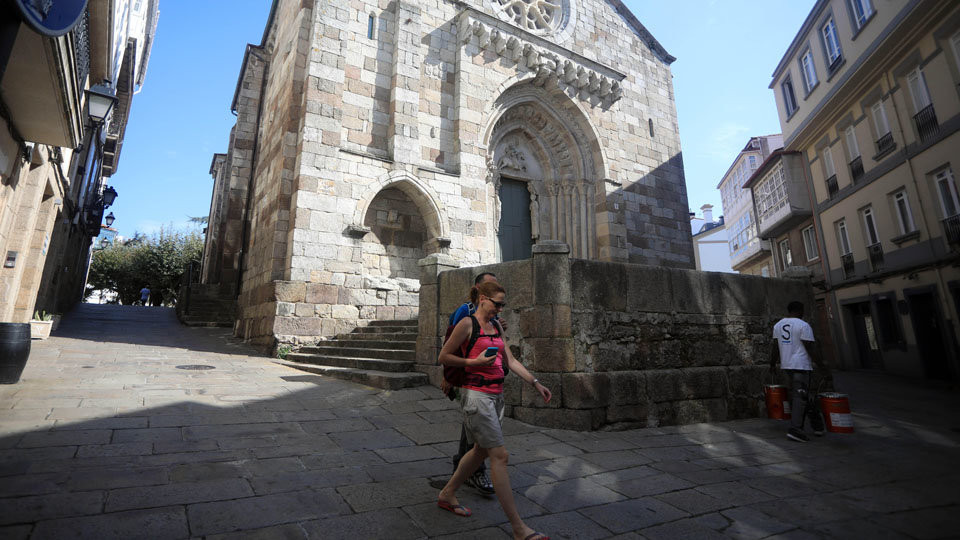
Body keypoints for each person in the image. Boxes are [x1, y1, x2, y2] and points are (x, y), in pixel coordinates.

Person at [437, 281, 551, 540]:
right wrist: (472, 362)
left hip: (496, 395)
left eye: (503, 305)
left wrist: (535, 382)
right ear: (483, 298)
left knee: (479, 451)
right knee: (500, 456)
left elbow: (509, 360)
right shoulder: (467, 324)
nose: (500, 309)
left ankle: (446, 493)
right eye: (497, 304)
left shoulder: (497, 326)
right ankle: (519, 528)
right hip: (476, 397)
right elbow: (444, 356)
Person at [444, 271, 502, 495]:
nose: (493, 289)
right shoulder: (465, 313)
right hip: (471, 380)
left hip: (489, 381)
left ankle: (461, 467)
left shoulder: (493, 314)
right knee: (480, 431)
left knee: (472, 426)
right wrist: (448, 377)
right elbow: (451, 345)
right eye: (489, 286)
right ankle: (475, 472)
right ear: (478, 290)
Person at [770, 300, 829, 442]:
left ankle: (817, 426)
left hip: (787, 364)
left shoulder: (778, 325)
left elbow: (775, 347)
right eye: (803, 311)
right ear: (800, 310)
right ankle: (796, 429)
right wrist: (822, 367)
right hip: (801, 365)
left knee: (804, 394)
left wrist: (772, 364)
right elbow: (810, 347)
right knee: (800, 396)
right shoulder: (803, 325)